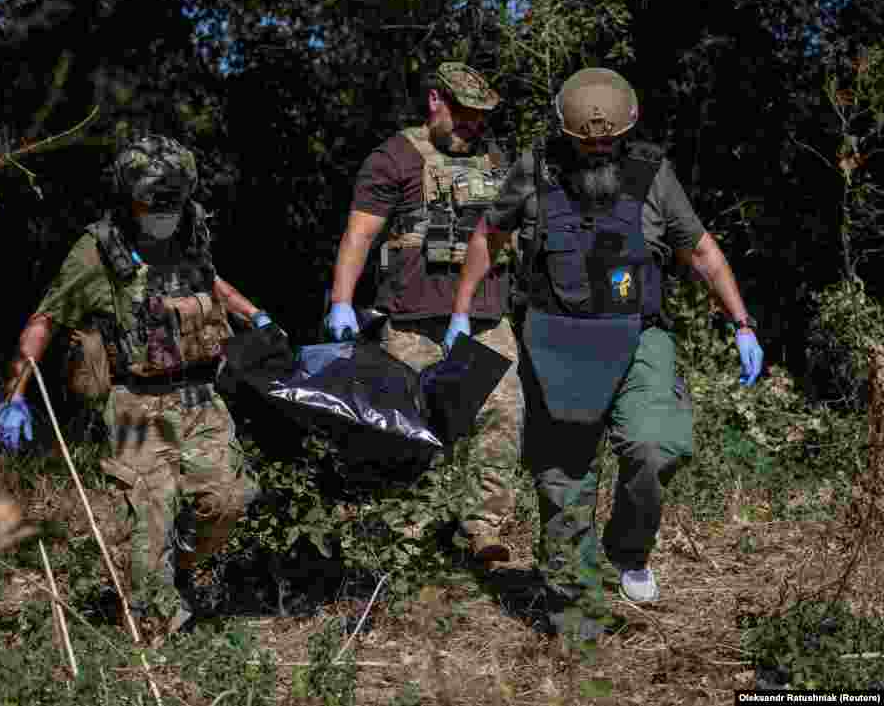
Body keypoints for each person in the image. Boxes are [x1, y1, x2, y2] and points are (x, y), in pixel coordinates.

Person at [450, 67, 764, 637]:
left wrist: (742, 323)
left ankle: (629, 549)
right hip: (555, 338)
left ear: (626, 130)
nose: (598, 149)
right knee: (562, 477)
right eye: (586, 141)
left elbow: (702, 253)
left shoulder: (653, 174)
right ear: (567, 133)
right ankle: (577, 611)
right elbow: (487, 238)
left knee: (656, 443)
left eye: (607, 140)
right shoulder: (535, 171)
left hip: (639, 333)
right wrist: (460, 311)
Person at [0, 135, 279, 633]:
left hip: (199, 396)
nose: (165, 207)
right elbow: (46, 318)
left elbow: (209, 280)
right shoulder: (99, 250)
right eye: (154, 198)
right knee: (148, 519)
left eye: (174, 196)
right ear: (129, 194)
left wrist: (256, 316)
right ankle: (155, 626)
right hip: (136, 407)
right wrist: (14, 396)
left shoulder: (191, 228)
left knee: (232, 498)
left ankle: (177, 572)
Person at [323, 62, 524, 563]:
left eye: (479, 118)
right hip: (412, 319)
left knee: (500, 417)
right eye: (462, 114)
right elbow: (360, 235)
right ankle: (408, 538)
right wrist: (342, 301)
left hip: (484, 316)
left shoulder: (497, 159)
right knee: (412, 428)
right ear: (435, 101)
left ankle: (482, 528)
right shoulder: (394, 158)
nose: (471, 126)